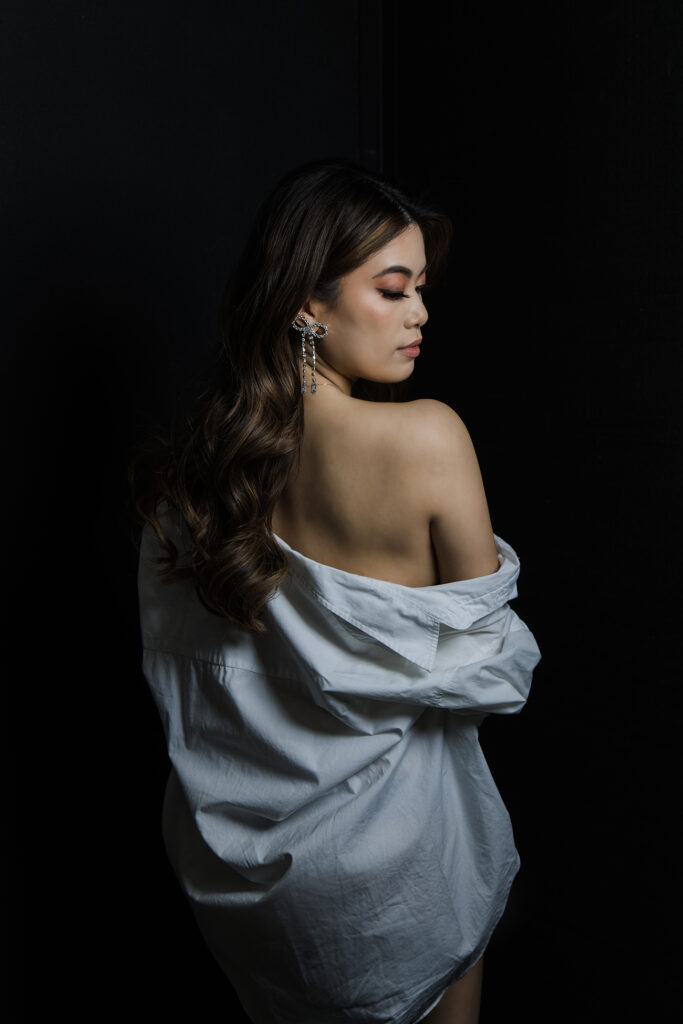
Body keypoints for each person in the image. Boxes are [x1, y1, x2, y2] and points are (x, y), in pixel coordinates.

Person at [135, 159, 540, 1024]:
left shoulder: (195, 479)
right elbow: (491, 665)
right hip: (405, 863)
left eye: (422, 289)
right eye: (392, 290)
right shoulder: (429, 438)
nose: (421, 314)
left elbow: (199, 688)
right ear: (304, 304)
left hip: (260, 884)